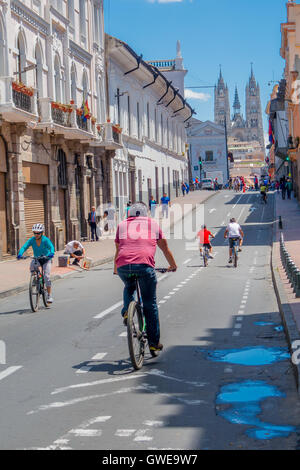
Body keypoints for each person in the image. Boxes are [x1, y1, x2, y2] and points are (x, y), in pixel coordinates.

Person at [113, 202, 177, 352]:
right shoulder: (152, 224)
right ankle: (154, 342)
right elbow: (165, 248)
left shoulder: (122, 225)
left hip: (123, 265)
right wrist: (173, 265)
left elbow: (118, 249)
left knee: (129, 286)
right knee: (150, 303)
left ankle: (126, 312)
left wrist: (116, 269)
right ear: (145, 214)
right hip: (144, 265)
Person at [17, 224, 55, 303]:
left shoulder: (45, 240)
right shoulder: (32, 240)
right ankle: (36, 279)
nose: (36, 235)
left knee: (47, 276)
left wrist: (51, 253)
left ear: (42, 233)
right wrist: (20, 254)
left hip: (46, 259)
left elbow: (51, 247)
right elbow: (24, 247)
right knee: (32, 266)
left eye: (38, 233)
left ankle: (49, 295)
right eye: (35, 233)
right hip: (37, 258)